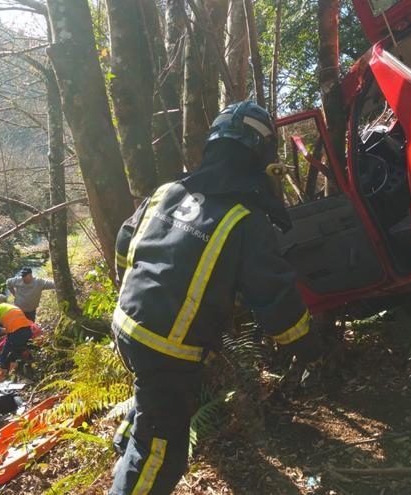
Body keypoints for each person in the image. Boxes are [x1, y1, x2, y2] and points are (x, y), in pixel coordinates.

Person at [108, 101, 321, 495]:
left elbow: (124, 245)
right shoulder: (245, 219)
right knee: (161, 453)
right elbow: (273, 297)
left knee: (153, 397)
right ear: (259, 153)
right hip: (166, 347)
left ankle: (128, 441)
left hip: (126, 323)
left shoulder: (167, 191)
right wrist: (306, 345)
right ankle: (135, 459)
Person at [0, 294, 34, 382]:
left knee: (4, 356)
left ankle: (0, 380)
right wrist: (1, 330)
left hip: (17, 333)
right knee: (17, 353)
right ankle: (24, 374)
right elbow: (14, 327)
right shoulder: (13, 307)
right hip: (27, 331)